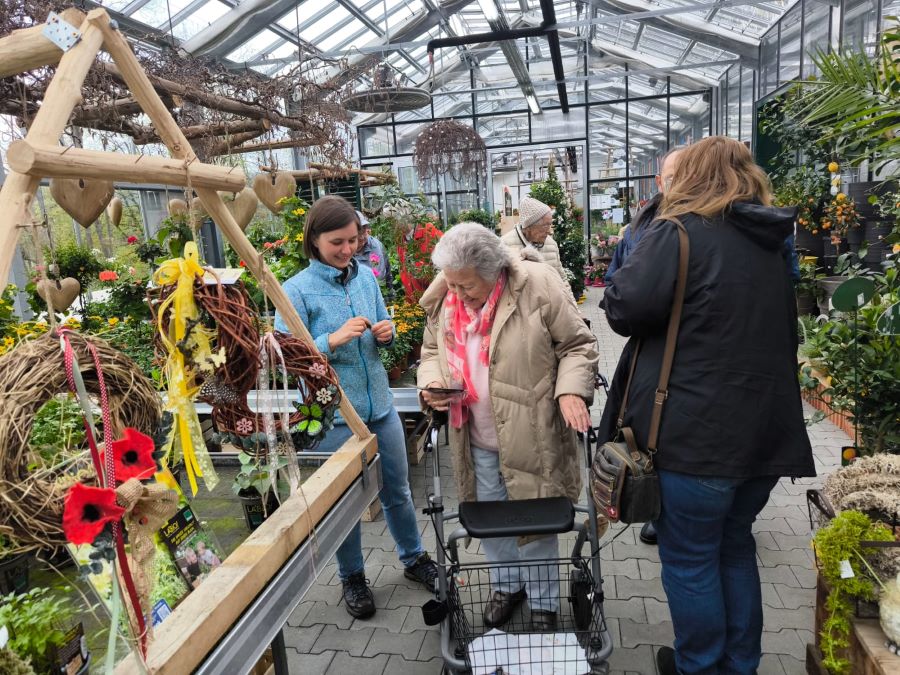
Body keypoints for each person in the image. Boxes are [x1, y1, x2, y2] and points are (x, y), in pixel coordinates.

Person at [598, 136, 815, 675]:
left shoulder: (678, 232)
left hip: (695, 435)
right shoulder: (771, 240)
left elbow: (623, 307)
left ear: (688, 177)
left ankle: (699, 666)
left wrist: (654, 218)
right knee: (734, 548)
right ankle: (739, 665)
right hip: (764, 433)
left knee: (692, 560)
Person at [418, 223, 598, 632]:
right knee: (492, 518)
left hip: (531, 434)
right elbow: (431, 352)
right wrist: (430, 383)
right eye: (453, 285)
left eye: (467, 287)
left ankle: (543, 604)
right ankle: (506, 586)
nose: (458, 295)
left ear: (494, 269)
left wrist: (570, 391)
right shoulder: (448, 292)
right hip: (475, 436)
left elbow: (578, 345)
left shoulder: (537, 284)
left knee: (533, 522)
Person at [274, 195, 437, 620]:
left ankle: (414, 557)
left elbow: (388, 328)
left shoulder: (365, 277)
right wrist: (330, 341)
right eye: (336, 242)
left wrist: (386, 332)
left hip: (380, 405)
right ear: (313, 240)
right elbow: (285, 360)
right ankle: (352, 576)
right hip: (335, 416)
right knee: (346, 504)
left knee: (397, 489)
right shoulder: (294, 291)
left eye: (352, 240)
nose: (347, 249)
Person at [605, 147, 685, 283]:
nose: (681, 185)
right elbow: (612, 279)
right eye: (672, 179)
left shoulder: (710, 228)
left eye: (687, 177)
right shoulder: (636, 230)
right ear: (659, 182)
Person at [501, 196, 567, 283]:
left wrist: (569, 297)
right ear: (529, 227)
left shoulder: (551, 244)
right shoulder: (504, 245)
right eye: (546, 225)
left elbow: (562, 279)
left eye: (550, 225)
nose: (550, 231)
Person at [353, 210, 392, 284]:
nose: (361, 237)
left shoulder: (375, 246)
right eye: (358, 233)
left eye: (363, 232)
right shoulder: (345, 250)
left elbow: (383, 275)